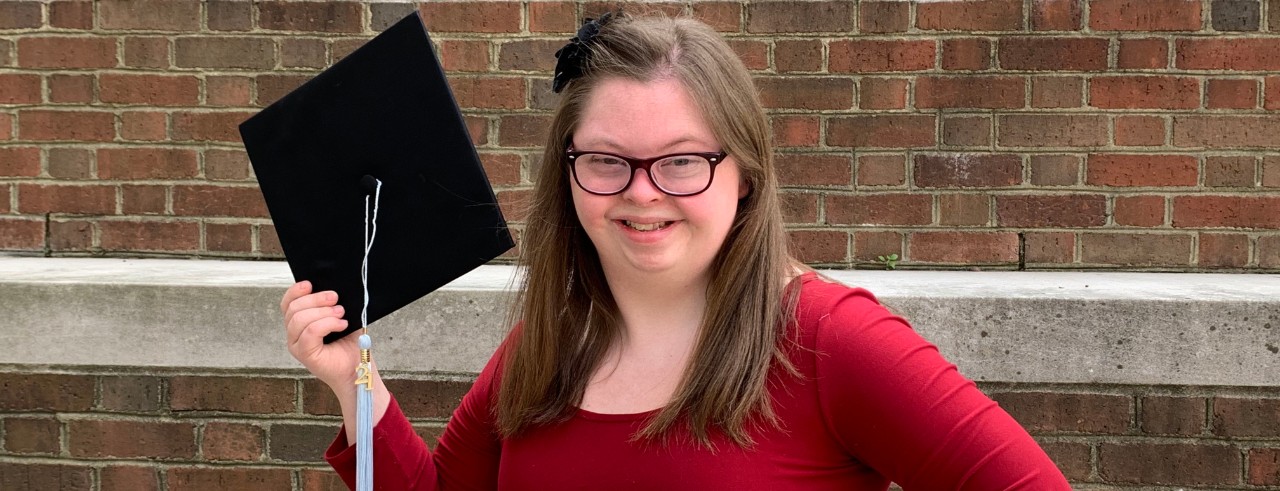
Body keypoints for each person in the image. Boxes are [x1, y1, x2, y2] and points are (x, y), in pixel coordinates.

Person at [281, 11, 1071, 490]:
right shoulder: (548, 345)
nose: (643, 191)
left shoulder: (828, 341)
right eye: (606, 160)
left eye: (683, 161)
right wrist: (352, 375)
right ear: (569, 175)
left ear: (745, 174)